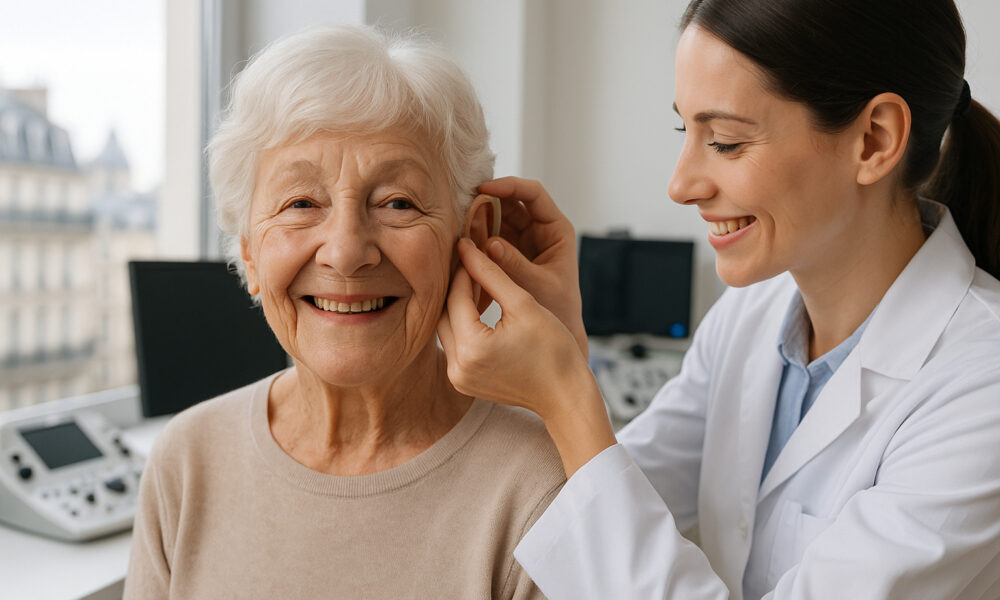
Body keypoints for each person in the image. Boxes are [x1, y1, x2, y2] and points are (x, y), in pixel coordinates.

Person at [437, 0, 1000, 597]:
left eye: (726, 141)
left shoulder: (980, 385)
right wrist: (564, 347)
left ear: (873, 139)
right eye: (687, 130)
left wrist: (564, 394)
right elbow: (612, 499)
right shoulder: (751, 317)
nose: (681, 185)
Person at [123, 25, 564, 599]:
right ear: (251, 253)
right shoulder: (187, 461)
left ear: (471, 237)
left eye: (397, 203)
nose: (347, 252)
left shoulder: (541, 486)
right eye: (301, 203)